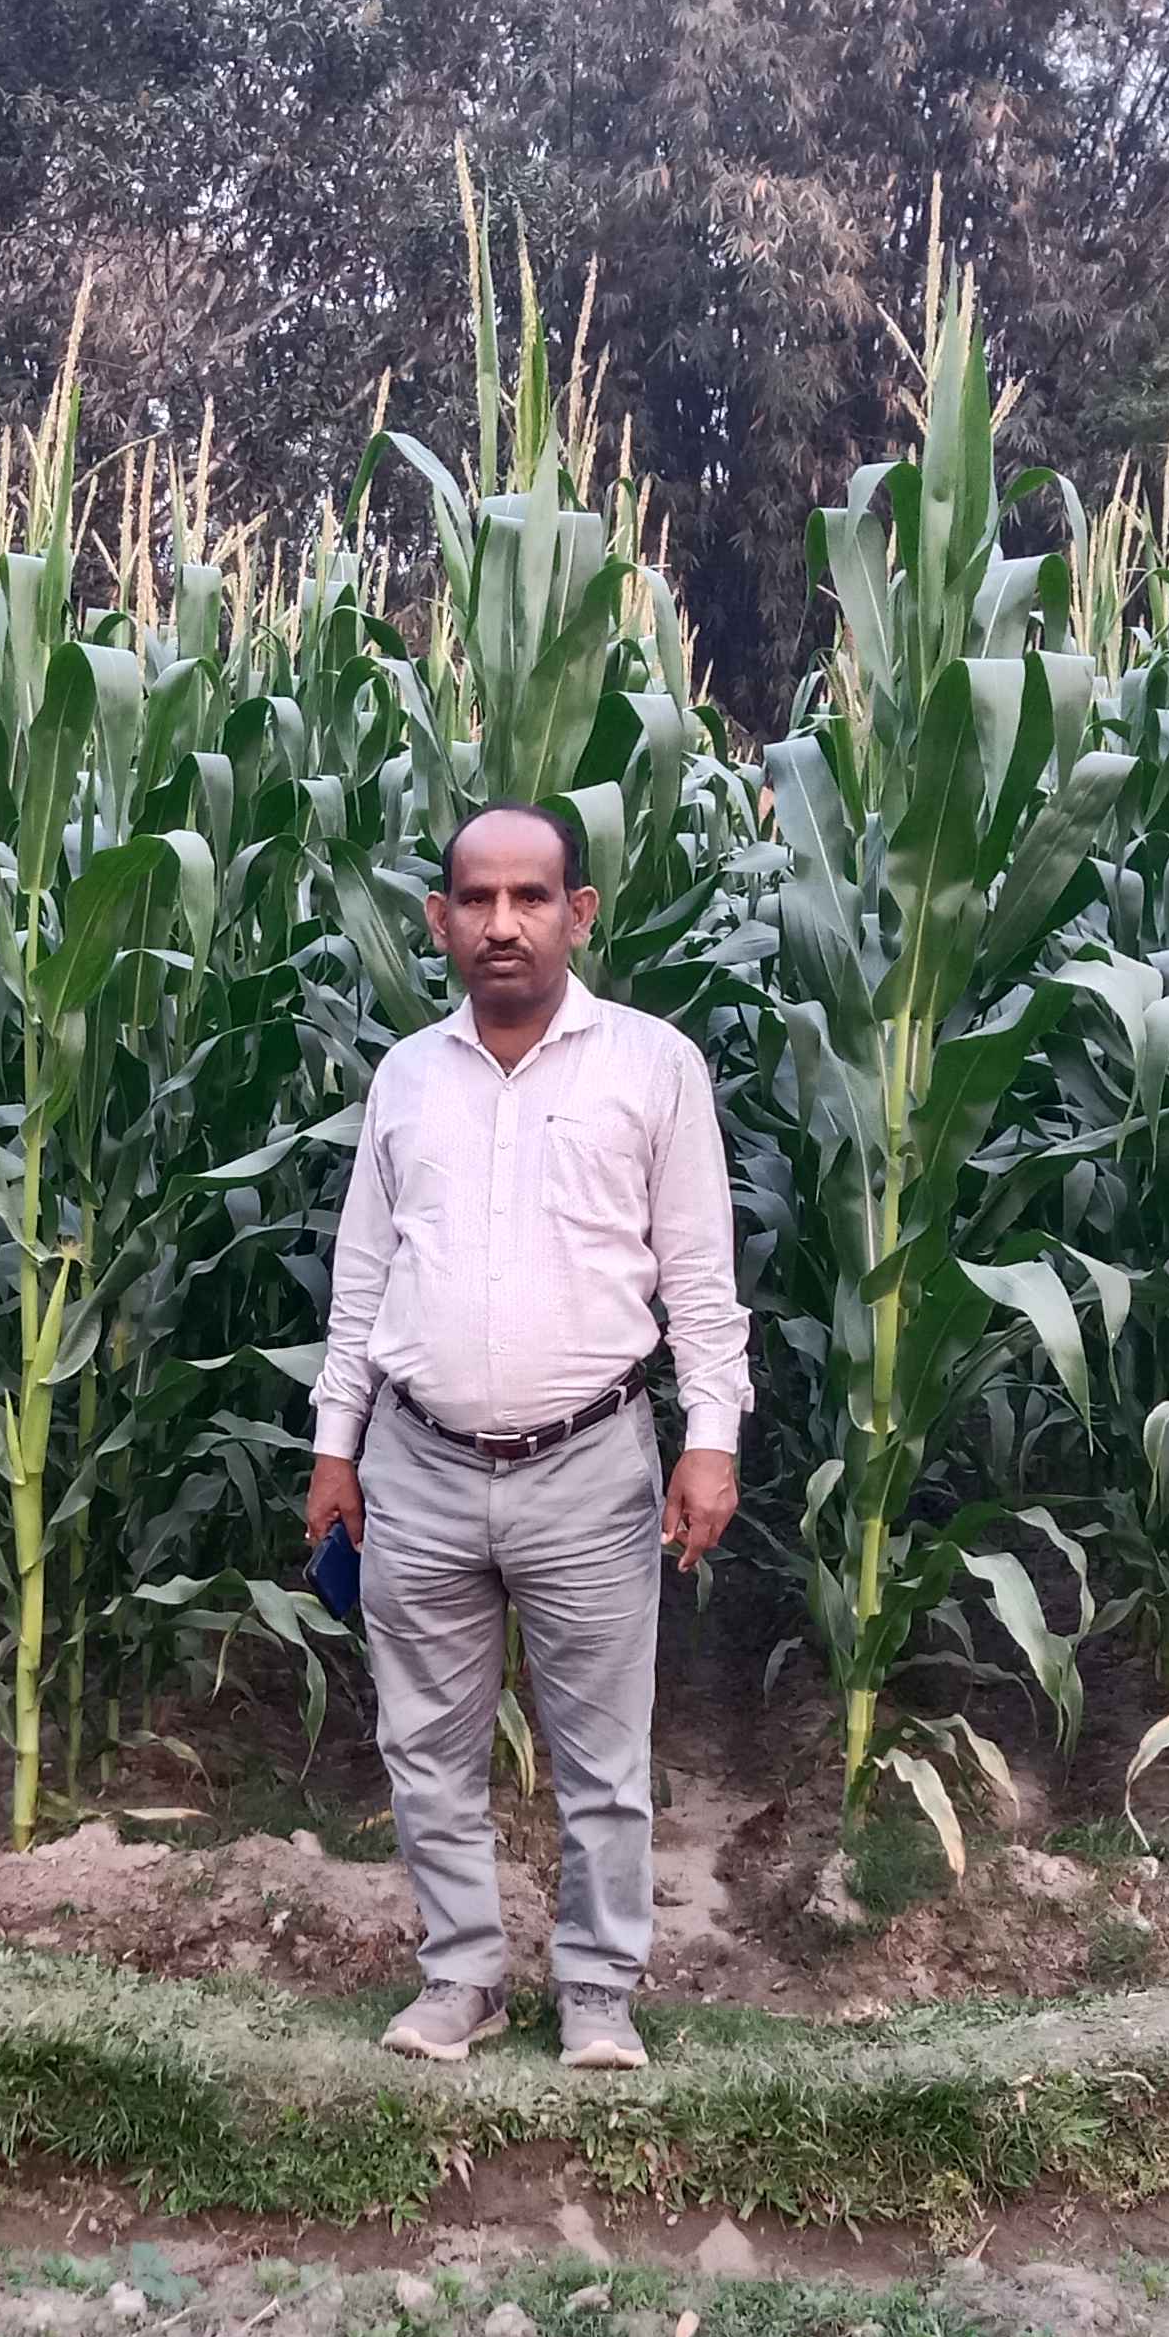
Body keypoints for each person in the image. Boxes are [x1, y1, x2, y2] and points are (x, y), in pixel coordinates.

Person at [303, 802, 747, 2070]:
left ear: (577, 914)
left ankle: (597, 1990)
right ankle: (461, 1976)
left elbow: (699, 1278)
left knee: (602, 1755)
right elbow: (362, 1278)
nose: (503, 923)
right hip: (417, 1465)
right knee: (423, 1747)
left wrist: (709, 1438)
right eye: (477, 900)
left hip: (589, 1464)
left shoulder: (652, 1067)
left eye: (531, 897)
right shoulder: (405, 1077)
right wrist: (334, 1447)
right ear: (438, 921)